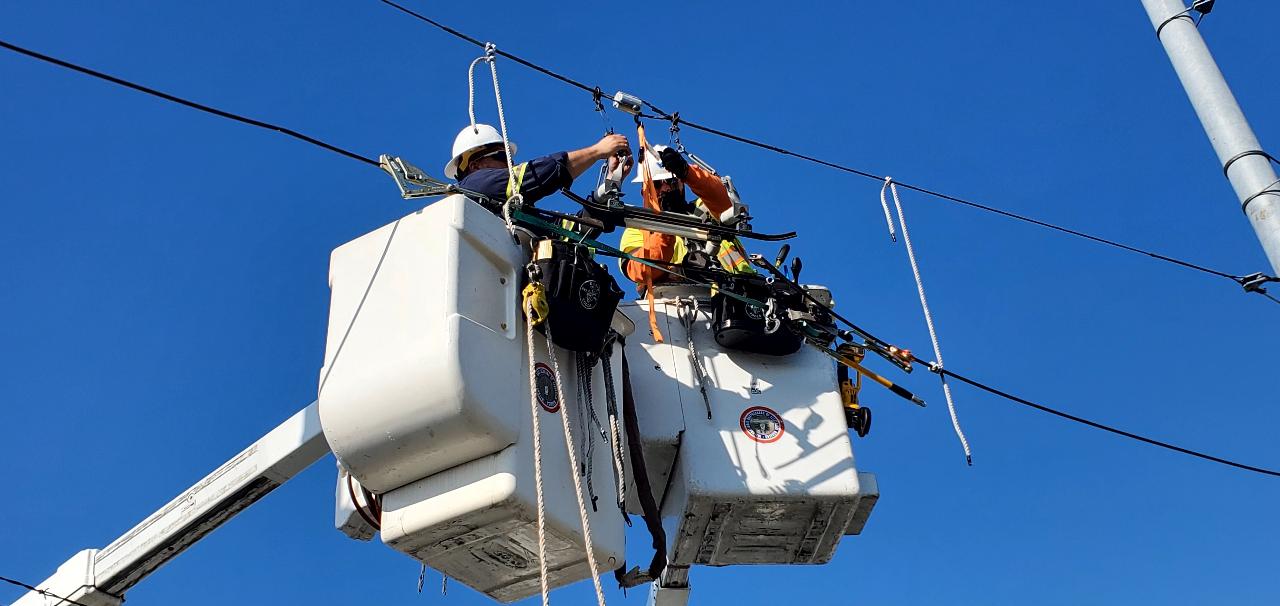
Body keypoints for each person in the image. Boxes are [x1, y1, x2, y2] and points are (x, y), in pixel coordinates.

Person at [619, 144, 754, 291]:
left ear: (681, 183)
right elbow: (641, 270)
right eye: (657, 184)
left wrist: (687, 172)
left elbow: (726, 203)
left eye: (671, 181)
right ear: (644, 191)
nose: (666, 189)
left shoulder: (704, 208)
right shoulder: (637, 229)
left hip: (742, 296)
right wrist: (666, 223)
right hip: (682, 305)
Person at [444, 123, 631, 209]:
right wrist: (597, 151)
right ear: (475, 166)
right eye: (503, 156)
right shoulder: (474, 185)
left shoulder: (510, 207)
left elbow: (568, 230)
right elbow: (541, 173)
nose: (511, 163)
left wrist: (612, 179)